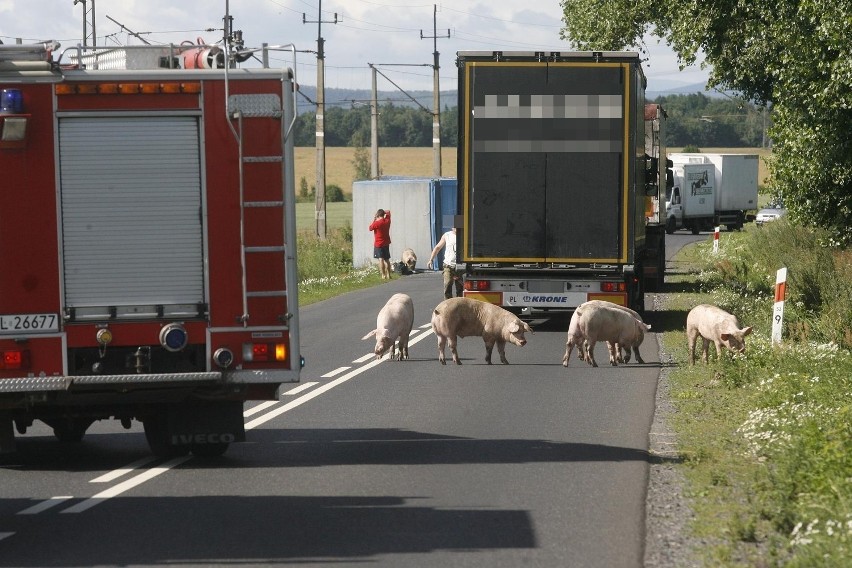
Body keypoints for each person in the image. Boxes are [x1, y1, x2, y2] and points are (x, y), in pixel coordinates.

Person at [428, 227, 463, 299]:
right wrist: (431, 259)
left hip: (461, 266)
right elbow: (438, 247)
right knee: (447, 285)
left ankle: (460, 305)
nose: (456, 228)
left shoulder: (465, 235)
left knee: (461, 288)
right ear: (452, 227)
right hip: (448, 265)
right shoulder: (447, 235)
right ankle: (448, 305)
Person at [369, 208, 392, 279]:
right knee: (387, 260)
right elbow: (388, 212)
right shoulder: (387, 221)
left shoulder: (377, 223)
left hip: (378, 244)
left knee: (381, 259)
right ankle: (389, 274)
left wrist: (375, 219)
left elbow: (370, 228)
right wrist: (383, 212)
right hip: (386, 243)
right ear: (383, 214)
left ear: (378, 215)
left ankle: (383, 275)